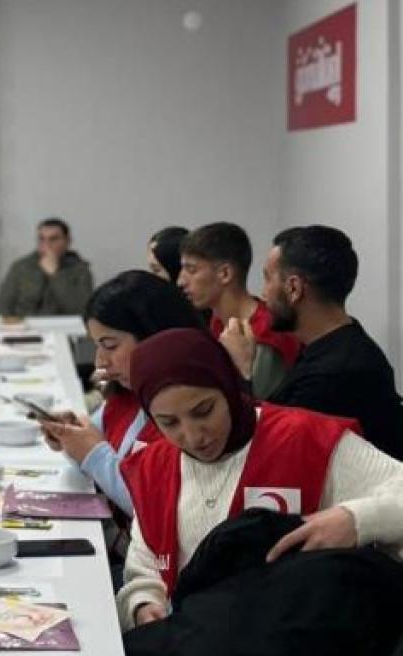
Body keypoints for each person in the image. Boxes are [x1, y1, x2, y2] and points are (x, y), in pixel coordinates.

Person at [116, 328, 403, 631]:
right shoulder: (154, 467)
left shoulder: (305, 439)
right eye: (169, 423)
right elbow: (145, 566)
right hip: (196, 637)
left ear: (227, 385)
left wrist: (355, 520)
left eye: (204, 411)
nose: (193, 436)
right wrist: (144, 606)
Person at [226, 226, 403, 460]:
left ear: (294, 288)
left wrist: (242, 371)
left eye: (268, 279)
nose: (264, 293)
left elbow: (271, 450)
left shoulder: (336, 373)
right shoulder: (331, 347)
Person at [39, 271, 205, 516]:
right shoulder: (127, 395)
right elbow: (89, 448)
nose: (100, 361)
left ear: (153, 338)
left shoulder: (187, 408)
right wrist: (70, 434)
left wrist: (91, 452)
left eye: (110, 346)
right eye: (98, 347)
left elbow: (153, 506)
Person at [176, 222, 300, 399]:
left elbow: (260, 410)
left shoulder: (267, 332)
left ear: (225, 273)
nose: (181, 281)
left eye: (191, 270)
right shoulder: (218, 320)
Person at [0, 218, 94, 317]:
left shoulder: (80, 269)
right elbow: (1, 307)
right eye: (42, 239)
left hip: (64, 328)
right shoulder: (21, 267)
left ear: (67, 241)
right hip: (26, 328)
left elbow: (83, 310)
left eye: (53, 239)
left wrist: (55, 276)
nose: (47, 244)